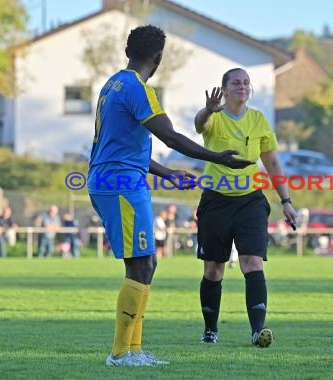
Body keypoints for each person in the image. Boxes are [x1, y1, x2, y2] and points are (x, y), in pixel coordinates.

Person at [87, 25, 252, 367]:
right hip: (121, 184)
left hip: (114, 178)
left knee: (146, 262)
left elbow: (120, 146)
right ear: (159, 58)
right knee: (141, 263)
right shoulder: (138, 89)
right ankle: (121, 353)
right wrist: (218, 158)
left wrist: (168, 173)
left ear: (129, 50)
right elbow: (172, 138)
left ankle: (132, 350)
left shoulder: (112, 84)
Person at [194, 68, 299, 347]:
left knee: (251, 262)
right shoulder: (214, 117)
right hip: (216, 201)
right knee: (214, 269)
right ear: (224, 89)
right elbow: (199, 125)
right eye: (236, 83)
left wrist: (286, 201)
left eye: (246, 83)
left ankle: (257, 331)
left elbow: (273, 163)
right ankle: (210, 330)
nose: (242, 86)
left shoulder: (258, 120)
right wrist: (207, 110)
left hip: (251, 201)